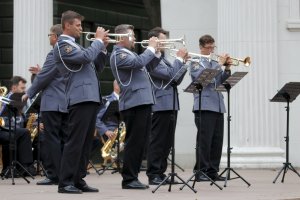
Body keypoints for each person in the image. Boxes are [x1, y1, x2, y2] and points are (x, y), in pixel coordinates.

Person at [53, 10, 109, 194]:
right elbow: (85, 58)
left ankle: (78, 179)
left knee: (86, 142)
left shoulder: (78, 46)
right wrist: (98, 41)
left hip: (90, 96)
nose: (81, 29)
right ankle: (65, 181)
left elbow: (97, 66)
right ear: (67, 25)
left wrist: (102, 49)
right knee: (75, 141)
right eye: (77, 25)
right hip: (80, 97)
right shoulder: (63, 45)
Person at [109, 24, 161, 189]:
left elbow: (147, 67)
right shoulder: (119, 54)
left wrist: (157, 52)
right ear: (122, 38)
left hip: (142, 101)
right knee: (134, 142)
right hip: (134, 102)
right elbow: (139, 62)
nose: (135, 39)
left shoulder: (129, 54)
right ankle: (129, 179)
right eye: (132, 36)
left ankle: (133, 177)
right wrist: (151, 49)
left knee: (141, 142)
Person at [22, 24, 68, 186]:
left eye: (49, 34)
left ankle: (54, 175)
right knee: (62, 139)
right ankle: (63, 173)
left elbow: (44, 79)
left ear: (55, 36)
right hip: (64, 102)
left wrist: (29, 92)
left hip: (52, 104)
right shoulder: (66, 52)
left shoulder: (54, 52)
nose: (49, 37)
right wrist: (42, 72)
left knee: (52, 140)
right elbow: (54, 75)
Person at [146, 27, 188, 185]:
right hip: (160, 104)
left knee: (167, 142)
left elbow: (176, 80)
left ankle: (161, 172)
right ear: (154, 40)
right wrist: (179, 60)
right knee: (158, 141)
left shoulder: (163, 59)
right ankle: (153, 173)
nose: (166, 43)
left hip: (171, 104)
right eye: (163, 40)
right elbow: (171, 76)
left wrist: (183, 63)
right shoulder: (151, 60)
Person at [189, 34, 231, 182]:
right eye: (208, 47)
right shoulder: (195, 61)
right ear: (201, 47)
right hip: (204, 105)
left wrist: (226, 68)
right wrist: (219, 64)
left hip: (218, 105)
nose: (211, 50)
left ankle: (213, 171)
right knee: (204, 140)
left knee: (217, 141)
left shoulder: (214, 62)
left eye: (213, 47)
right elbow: (205, 78)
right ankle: (200, 171)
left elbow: (221, 82)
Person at [0, 76, 35, 177]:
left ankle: (24, 167)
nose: (24, 90)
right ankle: (23, 166)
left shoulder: (22, 99)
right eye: (22, 88)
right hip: (5, 129)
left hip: (16, 128)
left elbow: (27, 114)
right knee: (23, 133)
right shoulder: (5, 100)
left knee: (25, 132)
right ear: (14, 88)